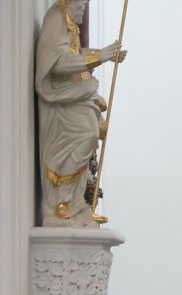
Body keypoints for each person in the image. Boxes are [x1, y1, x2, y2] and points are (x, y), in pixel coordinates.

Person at [35, 0, 127, 226]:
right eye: (82, 5)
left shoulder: (69, 23)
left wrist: (104, 54)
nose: (84, 10)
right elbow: (58, 63)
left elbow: (74, 52)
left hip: (75, 94)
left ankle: (75, 204)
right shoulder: (56, 18)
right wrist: (98, 57)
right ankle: (60, 201)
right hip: (61, 97)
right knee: (86, 134)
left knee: (92, 134)